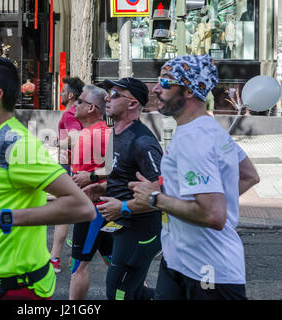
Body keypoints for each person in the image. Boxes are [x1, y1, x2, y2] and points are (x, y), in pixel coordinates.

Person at [0, 55, 94, 300]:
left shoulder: (16, 145)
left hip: (18, 290)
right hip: (0, 283)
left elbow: (82, 207)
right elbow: (12, 196)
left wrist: (5, 217)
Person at [130, 54, 260, 300]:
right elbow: (248, 175)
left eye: (166, 82)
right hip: (179, 261)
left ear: (189, 91)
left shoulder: (195, 139)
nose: (156, 89)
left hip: (209, 271)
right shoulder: (206, 128)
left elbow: (213, 215)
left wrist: (155, 198)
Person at [83, 77, 163, 300]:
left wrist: (124, 208)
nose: (107, 97)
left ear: (133, 104)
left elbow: (162, 192)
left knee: (119, 294)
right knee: (129, 293)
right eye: (110, 93)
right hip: (122, 226)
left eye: (116, 94)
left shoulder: (143, 142)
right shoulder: (117, 133)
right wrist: (99, 188)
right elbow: (123, 178)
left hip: (142, 231)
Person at [67, 85, 113, 300]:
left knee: (78, 267)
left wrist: (92, 176)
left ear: (91, 108)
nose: (75, 104)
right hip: (93, 209)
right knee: (116, 263)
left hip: (94, 211)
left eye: (80, 101)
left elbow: (118, 168)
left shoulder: (100, 134)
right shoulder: (91, 133)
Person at [50, 77, 85, 273]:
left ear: (71, 95)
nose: (61, 94)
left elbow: (76, 138)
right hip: (76, 167)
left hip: (70, 167)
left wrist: (58, 143)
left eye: (63, 91)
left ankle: (55, 258)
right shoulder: (75, 112)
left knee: (62, 213)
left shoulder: (71, 113)